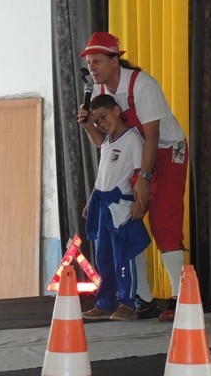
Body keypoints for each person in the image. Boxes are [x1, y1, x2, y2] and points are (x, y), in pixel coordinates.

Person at [78, 31, 188, 322]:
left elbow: (152, 135)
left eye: (98, 61)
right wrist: (89, 126)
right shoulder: (100, 93)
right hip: (135, 154)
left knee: (164, 222)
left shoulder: (142, 85)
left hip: (167, 151)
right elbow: (106, 143)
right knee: (126, 223)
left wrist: (144, 178)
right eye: (89, 63)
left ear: (115, 59)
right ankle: (143, 299)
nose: (92, 68)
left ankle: (180, 297)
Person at [80, 94, 152, 321]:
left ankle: (127, 303)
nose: (102, 123)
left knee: (123, 256)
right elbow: (103, 176)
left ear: (117, 111)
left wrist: (139, 204)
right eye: (97, 121)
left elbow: (141, 175)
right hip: (103, 207)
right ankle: (105, 301)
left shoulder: (132, 139)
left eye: (104, 116)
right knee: (103, 258)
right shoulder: (107, 143)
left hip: (121, 207)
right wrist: (91, 200)